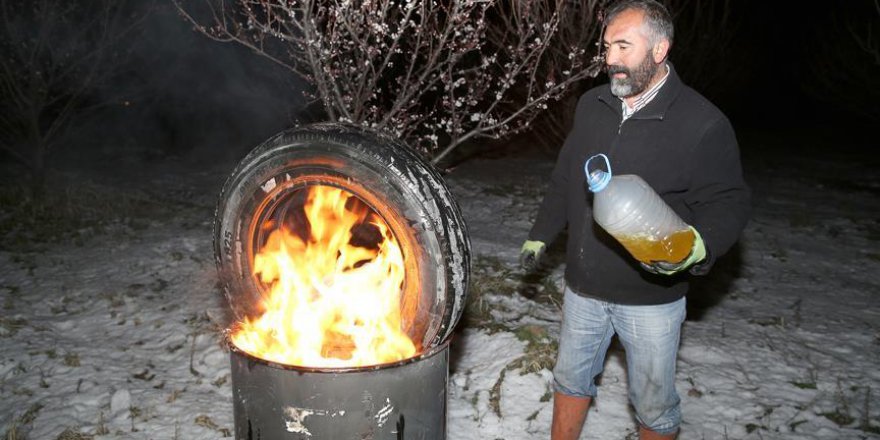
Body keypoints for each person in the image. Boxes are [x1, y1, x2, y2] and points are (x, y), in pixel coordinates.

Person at [519, 0, 751, 439]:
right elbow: (567, 175)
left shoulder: (701, 123)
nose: (610, 60)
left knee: (653, 404)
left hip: (651, 298)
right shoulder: (592, 105)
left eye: (624, 47)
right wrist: (541, 233)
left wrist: (700, 246)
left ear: (660, 49)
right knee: (570, 380)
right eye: (607, 47)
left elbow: (729, 202)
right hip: (583, 286)